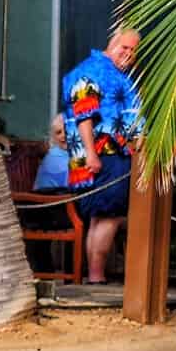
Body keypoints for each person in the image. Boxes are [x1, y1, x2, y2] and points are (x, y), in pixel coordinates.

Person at [59, 27, 142, 285]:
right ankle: (96, 276)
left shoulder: (116, 73)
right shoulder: (93, 70)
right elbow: (84, 115)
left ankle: (95, 275)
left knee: (101, 216)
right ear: (111, 43)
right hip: (106, 153)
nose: (127, 54)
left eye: (132, 51)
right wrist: (91, 154)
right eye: (123, 47)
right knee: (110, 215)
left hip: (109, 153)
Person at [33, 114, 73, 192]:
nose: (63, 136)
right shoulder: (54, 156)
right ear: (54, 137)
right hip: (51, 199)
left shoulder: (66, 152)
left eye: (67, 131)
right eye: (59, 132)